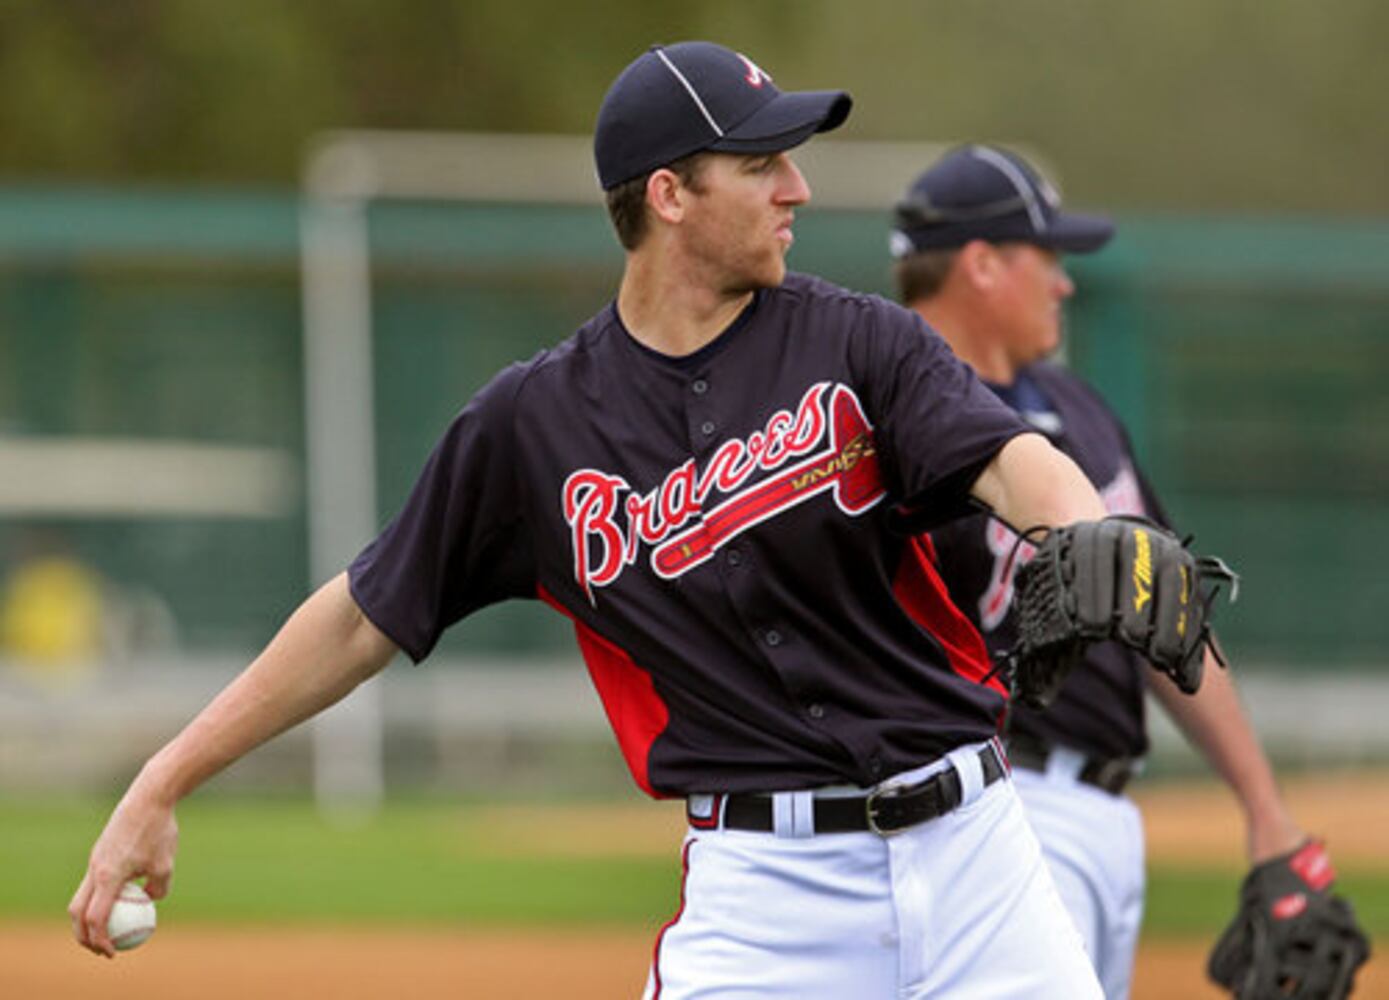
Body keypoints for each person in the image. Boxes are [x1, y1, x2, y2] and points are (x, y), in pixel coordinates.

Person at [71, 44, 1117, 998]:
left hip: (975, 862)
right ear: (669, 194)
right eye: (760, 164)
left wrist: (1088, 532)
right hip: (766, 899)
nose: (795, 187)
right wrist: (163, 781)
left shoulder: (860, 342)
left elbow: (1012, 463)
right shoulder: (535, 425)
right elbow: (358, 617)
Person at [890, 144, 1307, 999]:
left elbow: (1168, 620)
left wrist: (1263, 806)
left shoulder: (1075, 407)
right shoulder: (891, 430)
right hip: (998, 801)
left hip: (1106, 816)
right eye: (1046, 257)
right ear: (980, 265)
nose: (1064, 283)